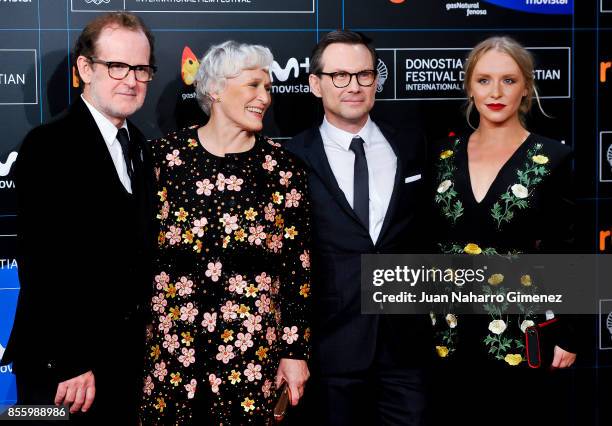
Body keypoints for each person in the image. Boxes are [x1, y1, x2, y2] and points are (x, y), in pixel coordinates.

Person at [139, 41, 311, 425]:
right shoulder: (163, 159)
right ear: (214, 89)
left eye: (267, 88)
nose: (264, 97)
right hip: (172, 352)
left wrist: (294, 351)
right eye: (252, 85)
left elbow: (297, 270)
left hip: (251, 358)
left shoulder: (283, 170)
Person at [0, 12, 156, 424]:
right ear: (84, 69)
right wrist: (70, 360)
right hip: (64, 367)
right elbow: (43, 260)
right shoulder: (49, 145)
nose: (131, 79)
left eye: (141, 68)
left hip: (120, 361)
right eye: (117, 66)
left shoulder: (137, 144)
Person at [285, 30, 432, 426]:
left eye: (364, 75)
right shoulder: (290, 158)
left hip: (405, 346)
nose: (354, 86)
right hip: (330, 347)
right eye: (340, 76)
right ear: (316, 84)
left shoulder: (412, 145)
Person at [430, 36, 577, 425]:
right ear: (469, 86)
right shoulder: (441, 156)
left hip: (519, 335)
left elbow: (569, 249)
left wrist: (571, 335)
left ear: (526, 86)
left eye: (509, 80)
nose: (495, 92)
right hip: (448, 335)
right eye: (484, 80)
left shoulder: (553, 158)